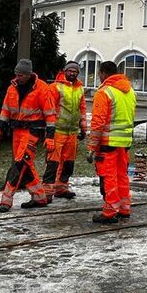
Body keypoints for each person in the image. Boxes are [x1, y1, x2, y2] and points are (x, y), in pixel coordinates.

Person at [0, 59, 57, 212]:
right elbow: (5, 111)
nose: (17, 77)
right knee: (25, 164)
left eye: (20, 75)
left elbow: (50, 115)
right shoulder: (12, 88)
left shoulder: (42, 89)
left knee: (20, 163)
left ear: (28, 75)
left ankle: (6, 200)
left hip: (33, 131)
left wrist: (50, 136)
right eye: (16, 74)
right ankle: (40, 197)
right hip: (17, 132)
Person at [87, 60, 136, 224]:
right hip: (125, 142)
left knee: (109, 177)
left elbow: (98, 123)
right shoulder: (130, 91)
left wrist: (92, 147)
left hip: (107, 142)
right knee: (122, 176)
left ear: (103, 73)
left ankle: (109, 211)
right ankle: (124, 208)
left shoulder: (104, 92)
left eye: (99, 74)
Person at [44, 61, 87, 199]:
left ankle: (61, 188)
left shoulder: (80, 88)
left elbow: (82, 109)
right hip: (58, 131)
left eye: (75, 71)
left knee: (68, 163)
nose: (72, 73)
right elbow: (49, 109)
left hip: (72, 132)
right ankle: (47, 191)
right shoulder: (56, 87)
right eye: (70, 71)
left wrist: (83, 127)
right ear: (64, 71)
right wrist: (49, 130)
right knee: (53, 163)